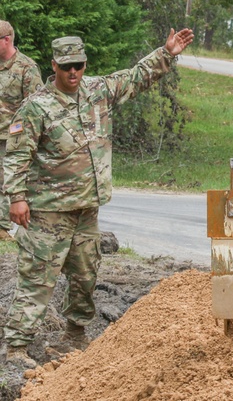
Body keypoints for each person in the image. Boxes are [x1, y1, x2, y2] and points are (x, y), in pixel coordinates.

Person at [1, 28, 194, 368]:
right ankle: (16, 348)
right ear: (54, 66)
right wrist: (16, 198)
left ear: (85, 64)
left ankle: (73, 336)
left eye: (78, 65)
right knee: (37, 279)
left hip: (87, 210)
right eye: (66, 67)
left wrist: (167, 52)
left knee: (86, 276)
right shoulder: (37, 107)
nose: (73, 73)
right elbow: (16, 156)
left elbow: (135, 77)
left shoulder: (97, 92)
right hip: (48, 212)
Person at [0, 20, 43, 234]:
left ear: (6, 40)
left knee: (7, 180)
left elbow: (36, 106)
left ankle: (3, 228)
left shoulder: (27, 67)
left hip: (12, 137)